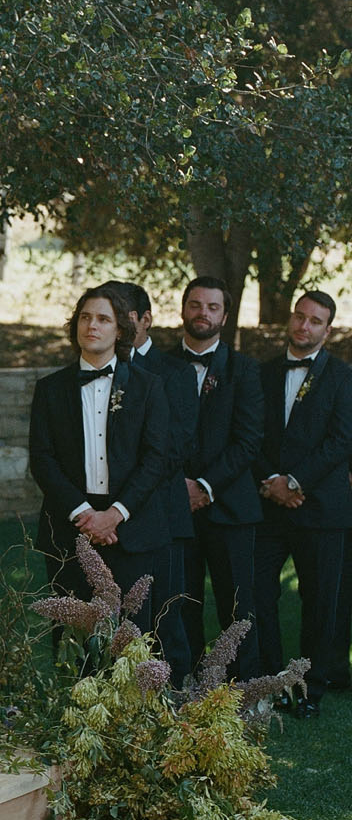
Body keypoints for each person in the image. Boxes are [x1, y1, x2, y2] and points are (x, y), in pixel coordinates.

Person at [28, 287, 171, 636]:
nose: (92, 325)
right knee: (74, 639)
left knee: (131, 638)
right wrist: (84, 514)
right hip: (71, 524)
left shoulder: (147, 386)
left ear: (120, 330)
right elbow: (42, 459)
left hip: (129, 527)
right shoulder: (50, 389)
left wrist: (115, 514)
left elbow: (157, 458)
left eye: (103, 319)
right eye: (85, 317)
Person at [252, 289, 352, 714]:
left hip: (321, 508)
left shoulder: (344, 377)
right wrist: (270, 482)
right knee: (258, 594)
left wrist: (295, 481)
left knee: (318, 600)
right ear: (291, 319)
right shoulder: (263, 372)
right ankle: (272, 679)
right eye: (299, 317)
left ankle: (311, 685)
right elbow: (250, 432)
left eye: (314, 321)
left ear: (327, 331)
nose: (304, 326)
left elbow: (341, 440)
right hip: (267, 505)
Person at [103, 281, 197, 682]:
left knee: (164, 616)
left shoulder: (175, 373)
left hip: (158, 511)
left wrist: (124, 498)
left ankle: (175, 699)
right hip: (101, 517)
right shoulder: (94, 368)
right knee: (106, 612)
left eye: (124, 317)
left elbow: (175, 449)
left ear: (145, 320)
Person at [175, 276, 264, 678]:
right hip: (175, 507)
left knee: (238, 605)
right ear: (183, 309)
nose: (203, 314)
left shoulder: (245, 370)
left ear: (225, 316)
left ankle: (242, 690)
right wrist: (180, 487)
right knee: (179, 600)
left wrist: (205, 487)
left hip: (230, 507)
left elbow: (248, 442)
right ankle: (186, 683)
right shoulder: (158, 368)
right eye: (196, 305)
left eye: (212, 308)